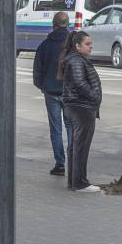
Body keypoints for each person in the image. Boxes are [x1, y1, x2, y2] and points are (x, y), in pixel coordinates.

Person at [59, 30, 102, 193]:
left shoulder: (75, 59)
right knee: (80, 146)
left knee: (75, 146)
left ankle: (74, 181)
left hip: (76, 107)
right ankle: (80, 182)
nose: (91, 47)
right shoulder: (77, 61)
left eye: (91, 44)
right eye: (87, 44)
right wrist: (94, 97)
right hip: (81, 108)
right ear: (77, 46)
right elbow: (80, 83)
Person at [32, 11, 72, 176]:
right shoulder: (72, 44)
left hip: (51, 91)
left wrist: (42, 86)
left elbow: (37, 70)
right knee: (71, 127)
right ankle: (74, 162)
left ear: (53, 25)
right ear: (67, 24)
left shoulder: (45, 45)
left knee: (55, 129)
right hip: (69, 92)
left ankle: (60, 164)